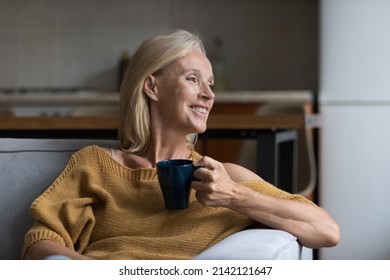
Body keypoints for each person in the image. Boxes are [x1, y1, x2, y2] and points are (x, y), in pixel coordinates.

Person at [22, 29, 340, 260]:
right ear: (152, 87)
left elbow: (326, 231)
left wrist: (234, 195)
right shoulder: (94, 166)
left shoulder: (222, 178)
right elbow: (40, 244)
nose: (209, 94)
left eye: (210, 84)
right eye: (192, 79)